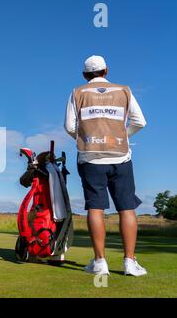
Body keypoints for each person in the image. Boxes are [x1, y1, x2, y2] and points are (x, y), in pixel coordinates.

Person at [64, 55, 147, 276]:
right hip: (120, 157)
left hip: (90, 158)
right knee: (126, 208)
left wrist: (86, 138)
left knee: (95, 207)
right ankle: (129, 262)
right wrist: (121, 137)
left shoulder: (77, 92)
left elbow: (69, 126)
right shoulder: (124, 90)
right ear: (106, 70)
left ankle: (100, 263)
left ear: (84, 75)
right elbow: (140, 122)